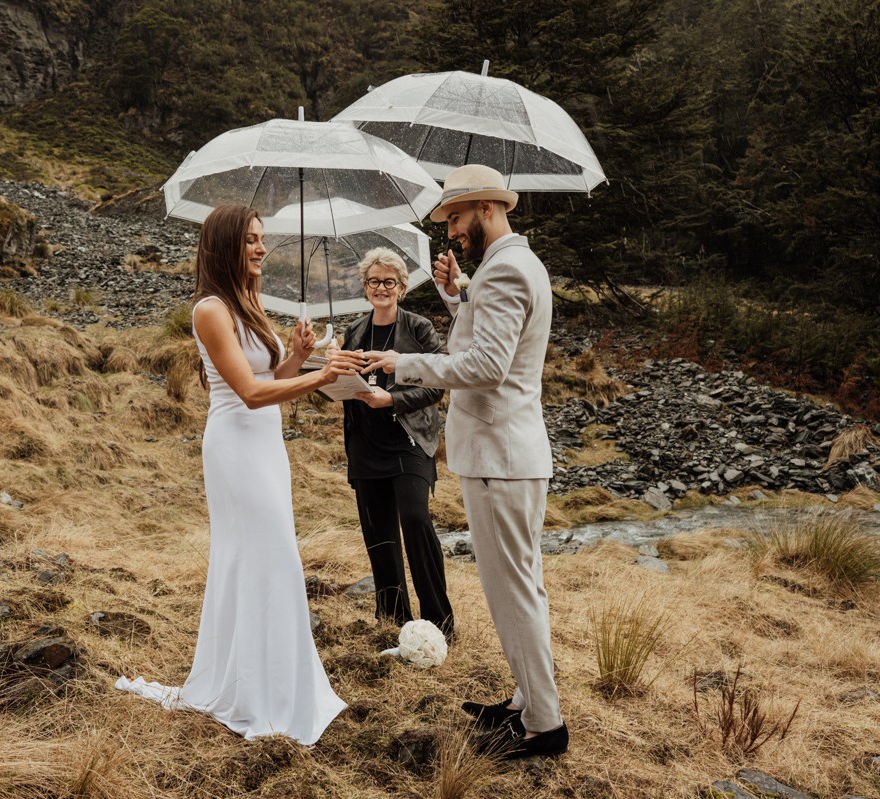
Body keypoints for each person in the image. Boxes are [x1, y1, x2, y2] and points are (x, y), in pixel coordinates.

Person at [116, 203, 366, 745]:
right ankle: (252, 692)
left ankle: (274, 682)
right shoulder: (210, 310)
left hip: (266, 446)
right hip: (235, 446)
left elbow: (270, 378)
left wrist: (297, 356)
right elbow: (249, 393)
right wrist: (322, 375)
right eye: (251, 239)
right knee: (264, 557)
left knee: (270, 559)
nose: (261, 248)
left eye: (262, 238)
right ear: (226, 245)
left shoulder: (249, 304)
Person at [363, 164, 567, 759]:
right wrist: (459, 297)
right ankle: (528, 702)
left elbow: (486, 366)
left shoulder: (505, 270)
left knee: (512, 592)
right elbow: (489, 336)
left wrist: (403, 363)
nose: (449, 231)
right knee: (519, 587)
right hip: (508, 453)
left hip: (500, 457)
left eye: (454, 217)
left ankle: (544, 725)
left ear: (485, 208)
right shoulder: (511, 265)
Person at [337, 247, 454, 639]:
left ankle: (439, 623)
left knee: (416, 521)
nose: (381, 288)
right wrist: (332, 368)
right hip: (366, 444)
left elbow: (438, 382)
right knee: (379, 536)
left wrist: (392, 399)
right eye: (374, 281)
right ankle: (393, 623)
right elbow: (341, 384)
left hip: (409, 441)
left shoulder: (418, 328)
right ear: (365, 287)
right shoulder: (355, 331)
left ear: (402, 288)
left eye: (389, 281)